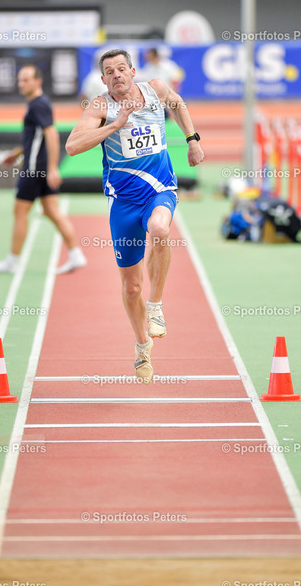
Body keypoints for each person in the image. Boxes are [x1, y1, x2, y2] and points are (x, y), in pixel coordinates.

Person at [65, 49, 204, 383]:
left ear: (132, 71)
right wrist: (115, 125)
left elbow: (177, 103)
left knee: (160, 229)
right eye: (110, 71)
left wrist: (192, 140)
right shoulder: (100, 106)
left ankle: (155, 306)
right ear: (103, 80)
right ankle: (142, 347)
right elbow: (72, 146)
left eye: (121, 68)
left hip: (160, 188)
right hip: (123, 202)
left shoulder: (155, 89)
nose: (117, 74)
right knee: (131, 286)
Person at [0, 65, 87, 275]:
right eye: (19, 80)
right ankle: (76, 254)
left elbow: (51, 134)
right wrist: (17, 153)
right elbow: (35, 139)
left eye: (25, 80)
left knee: (20, 211)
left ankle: (12, 261)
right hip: (39, 166)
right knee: (52, 211)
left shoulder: (38, 104)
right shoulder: (36, 104)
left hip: (34, 169)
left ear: (38, 81)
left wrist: (52, 168)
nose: (21, 84)